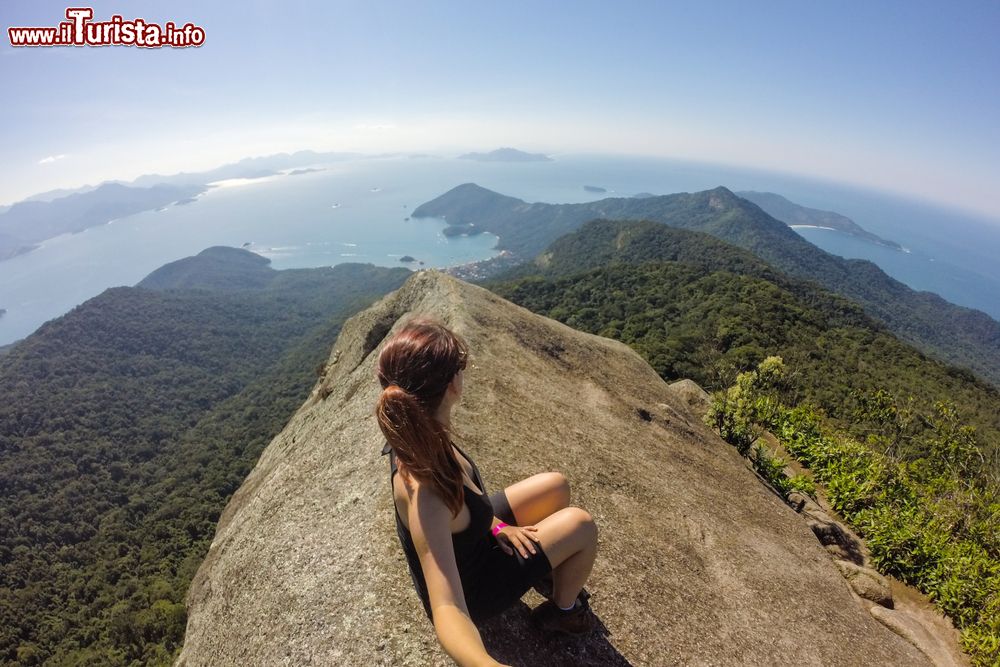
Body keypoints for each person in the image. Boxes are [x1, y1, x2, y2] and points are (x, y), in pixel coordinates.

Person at [375, 317, 599, 667]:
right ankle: (565, 612)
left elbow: (463, 503)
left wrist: (496, 525)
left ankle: (540, 567)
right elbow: (447, 606)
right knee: (581, 525)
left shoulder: (414, 431)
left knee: (555, 486)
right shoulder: (425, 492)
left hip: (475, 535)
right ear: (452, 385)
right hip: (472, 586)